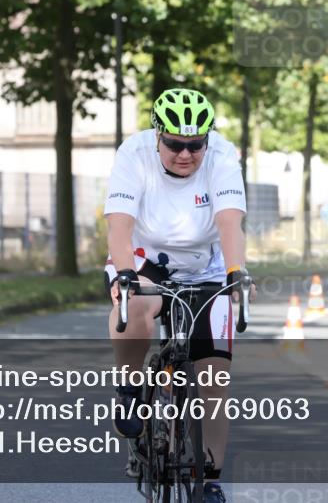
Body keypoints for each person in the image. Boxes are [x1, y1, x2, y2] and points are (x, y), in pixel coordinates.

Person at [103, 88, 254, 503]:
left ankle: (210, 480)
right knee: (134, 303)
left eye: (195, 144)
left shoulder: (222, 155)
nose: (185, 154)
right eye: (174, 144)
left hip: (206, 266)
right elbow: (119, 224)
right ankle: (129, 390)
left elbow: (230, 222)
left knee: (214, 378)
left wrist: (236, 272)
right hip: (145, 258)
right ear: (158, 136)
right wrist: (125, 274)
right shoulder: (133, 153)